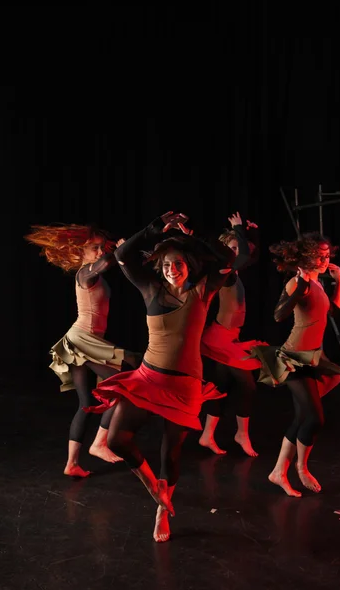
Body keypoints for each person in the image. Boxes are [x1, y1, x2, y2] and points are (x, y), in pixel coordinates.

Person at [84, 211, 235, 542]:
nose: (171, 269)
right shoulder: (150, 289)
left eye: (177, 263)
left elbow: (228, 257)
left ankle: (161, 514)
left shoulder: (204, 289)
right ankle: (155, 488)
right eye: (166, 265)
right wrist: (156, 227)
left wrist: (188, 235)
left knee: (171, 452)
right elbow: (123, 255)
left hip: (184, 385)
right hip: (149, 377)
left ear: (188, 264)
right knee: (116, 439)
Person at [251, 232, 340, 497]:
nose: (324, 259)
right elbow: (279, 315)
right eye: (318, 254)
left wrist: (337, 282)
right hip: (293, 359)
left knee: (303, 417)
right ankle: (301, 468)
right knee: (315, 418)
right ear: (306, 256)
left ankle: (279, 472)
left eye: (327, 255)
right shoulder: (297, 283)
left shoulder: (318, 284)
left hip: (311, 358)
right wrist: (301, 287)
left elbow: (333, 311)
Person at [25, 224, 140, 478]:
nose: (99, 252)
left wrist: (123, 249)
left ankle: (71, 464)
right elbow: (109, 262)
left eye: (101, 247)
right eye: (93, 248)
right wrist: (123, 247)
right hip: (84, 340)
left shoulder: (92, 272)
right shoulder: (87, 272)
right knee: (122, 387)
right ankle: (99, 443)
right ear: (82, 253)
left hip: (81, 341)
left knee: (86, 402)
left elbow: (112, 261)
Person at [199, 212, 265, 457]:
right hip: (220, 338)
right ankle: (241, 434)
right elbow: (246, 256)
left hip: (229, 337)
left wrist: (251, 233)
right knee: (247, 385)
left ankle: (207, 435)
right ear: (224, 249)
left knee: (220, 387)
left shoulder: (233, 271)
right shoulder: (224, 270)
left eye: (240, 247)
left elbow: (252, 254)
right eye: (234, 247)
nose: (239, 252)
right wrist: (238, 229)